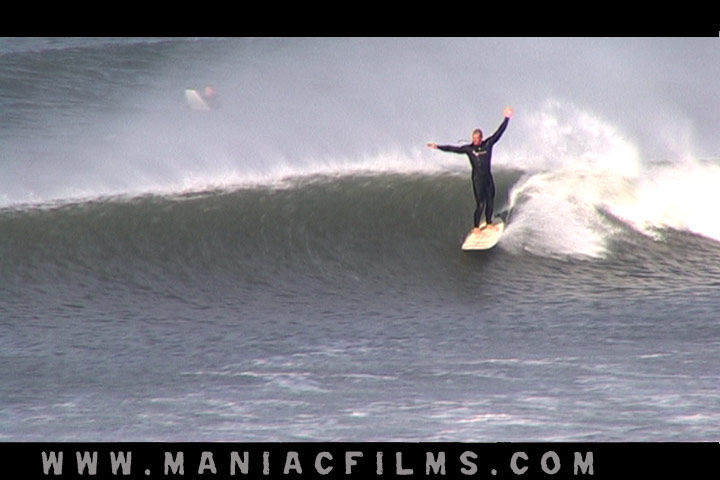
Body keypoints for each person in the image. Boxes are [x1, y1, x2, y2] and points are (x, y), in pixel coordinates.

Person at [428, 106, 513, 232]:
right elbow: (453, 149)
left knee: (490, 201)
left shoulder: (488, 144)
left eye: (476, 139)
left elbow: (499, 132)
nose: (474, 141)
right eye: (473, 139)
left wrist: (506, 119)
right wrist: (438, 147)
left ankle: (489, 223)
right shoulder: (469, 149)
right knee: (480, 204)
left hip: (488, 178)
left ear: (481, 138)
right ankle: (476, 227)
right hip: (477, 179)